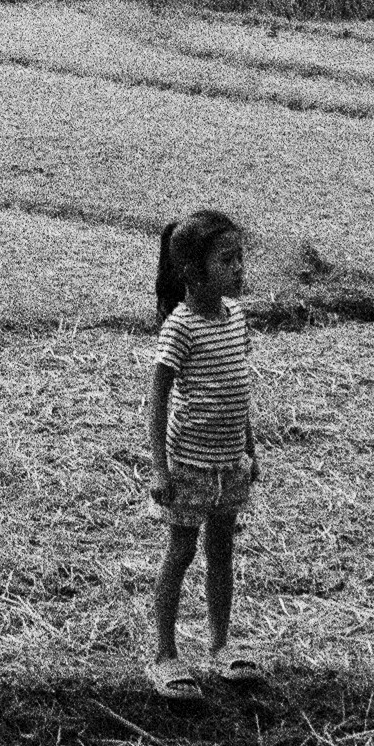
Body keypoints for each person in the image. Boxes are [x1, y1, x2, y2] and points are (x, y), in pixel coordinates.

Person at [146, 207, 263, 696]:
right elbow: (158, 398)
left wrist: (249, 449)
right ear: (193, 272)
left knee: (222, 550)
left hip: (229, 462)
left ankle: (220, 644)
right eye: (226, 260)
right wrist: (159, 467)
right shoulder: (180, 327)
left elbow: (239, 388)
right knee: (181, 551)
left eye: (239, 258)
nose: (238, 269)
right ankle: (164, 654)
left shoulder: (236, 317)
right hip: (189, 464)